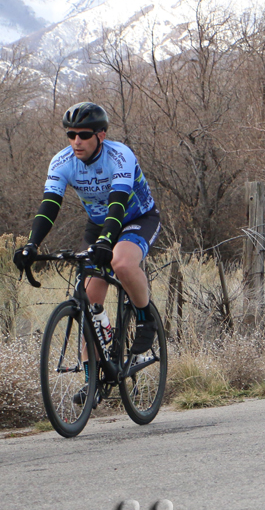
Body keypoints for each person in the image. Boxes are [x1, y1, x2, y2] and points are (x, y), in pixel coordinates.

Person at [12, 103, 162, 401]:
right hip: (98, 224)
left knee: (121, 263)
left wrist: (107, 241)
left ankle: (146, 317)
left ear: (101, 135)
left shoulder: (120, 156)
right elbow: (50, 204)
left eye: (83, 134)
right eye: (71, 134)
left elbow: (118, 202)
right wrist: (32, 244)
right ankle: (93, 377)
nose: (76, 141)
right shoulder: (62, 161)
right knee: (87, 297)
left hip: (136, 218)